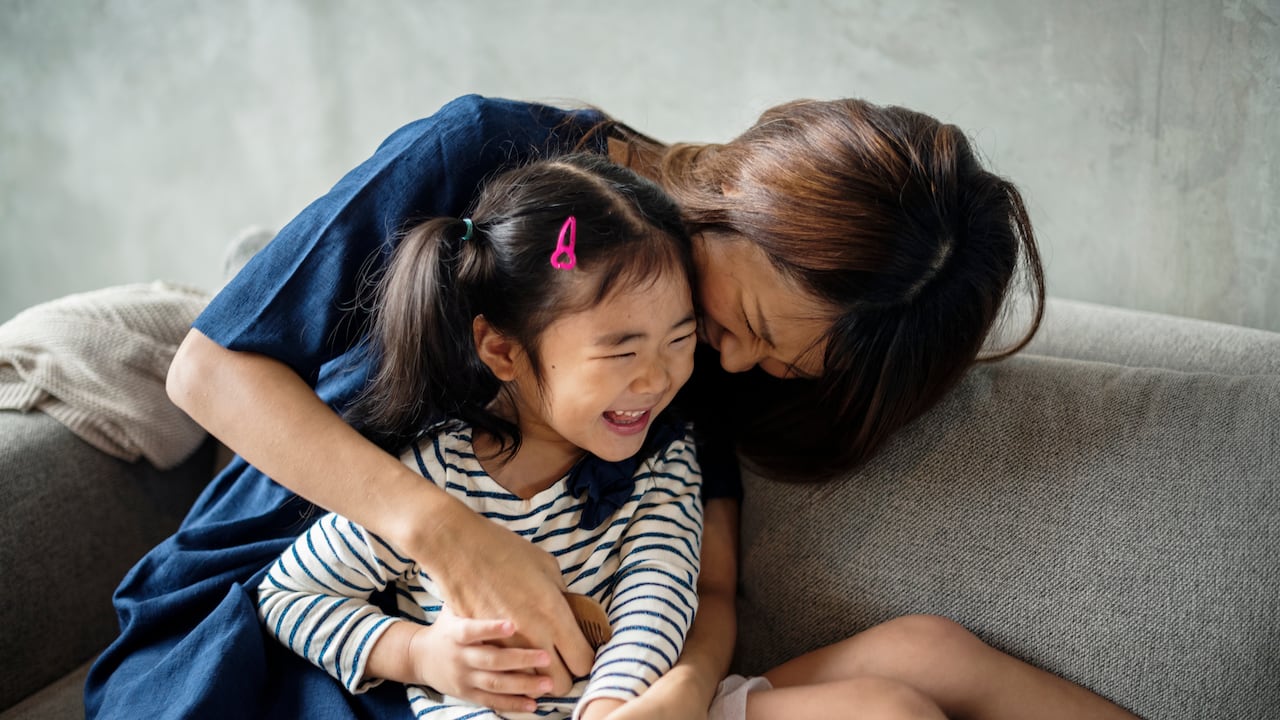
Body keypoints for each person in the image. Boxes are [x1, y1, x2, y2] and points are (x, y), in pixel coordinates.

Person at [85, 94, 1135, 719]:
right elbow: (208, 372)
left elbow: (693, 581)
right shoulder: (478, 158)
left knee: (920, 668)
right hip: (279, 622)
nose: (730, 361)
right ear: (737, 207)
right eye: (756, 325)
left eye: (780, 367)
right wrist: (447, 536)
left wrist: (679, 685)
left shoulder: (676, 375)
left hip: (585, 679)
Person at [256, 153, 703, 720]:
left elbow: (659, 586)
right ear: (502, 350)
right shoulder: (436, 475)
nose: (657, 378)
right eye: (621, 352)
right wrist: (419, 655)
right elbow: (287, 599)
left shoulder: (665, 458)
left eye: (681, 340)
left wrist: (612, 701)